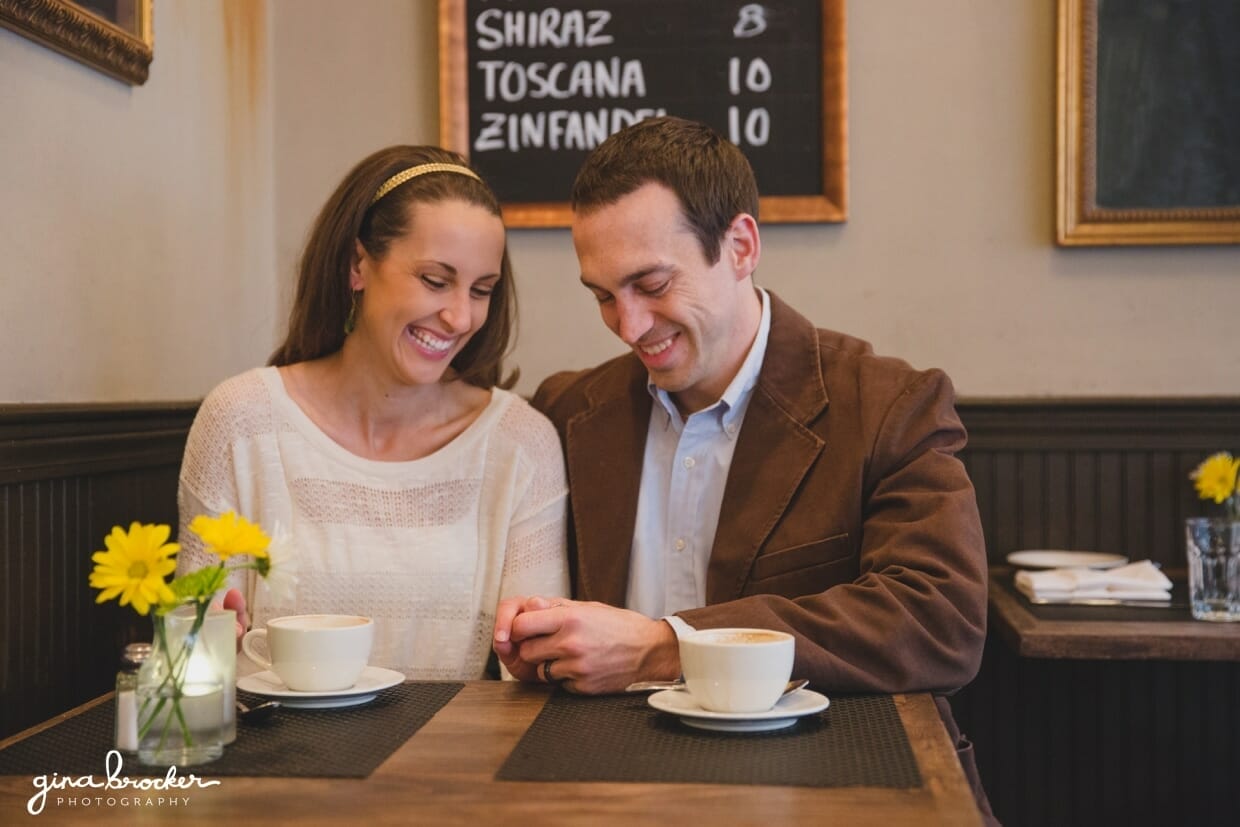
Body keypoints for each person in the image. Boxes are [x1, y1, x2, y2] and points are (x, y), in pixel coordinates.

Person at [491, 116, 994, 818]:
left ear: (741, 246)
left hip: (828, 789)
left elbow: (939, 618)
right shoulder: (568, 408)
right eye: (603, 295)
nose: (628, 325)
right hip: (605, 791)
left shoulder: (887, 403)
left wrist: (666, 646)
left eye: (652, 283)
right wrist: (534, 637)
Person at [176, 145, 569, 680]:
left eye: (482, 290)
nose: (459, 316)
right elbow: (188, 662)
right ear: (358, 265)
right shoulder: (241, 421)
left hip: (450, 758)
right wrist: (208, 631)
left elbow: (535, 677)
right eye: (435, 280)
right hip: (274, 757)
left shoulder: (522, 445)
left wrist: (535, 655)